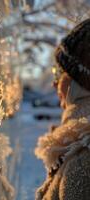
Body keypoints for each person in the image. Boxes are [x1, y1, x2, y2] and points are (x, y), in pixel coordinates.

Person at [35, 18, 90, 200]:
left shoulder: (83, 162)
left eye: (59, 72)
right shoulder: (77, 146)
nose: (54, 83)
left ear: (81, 80)